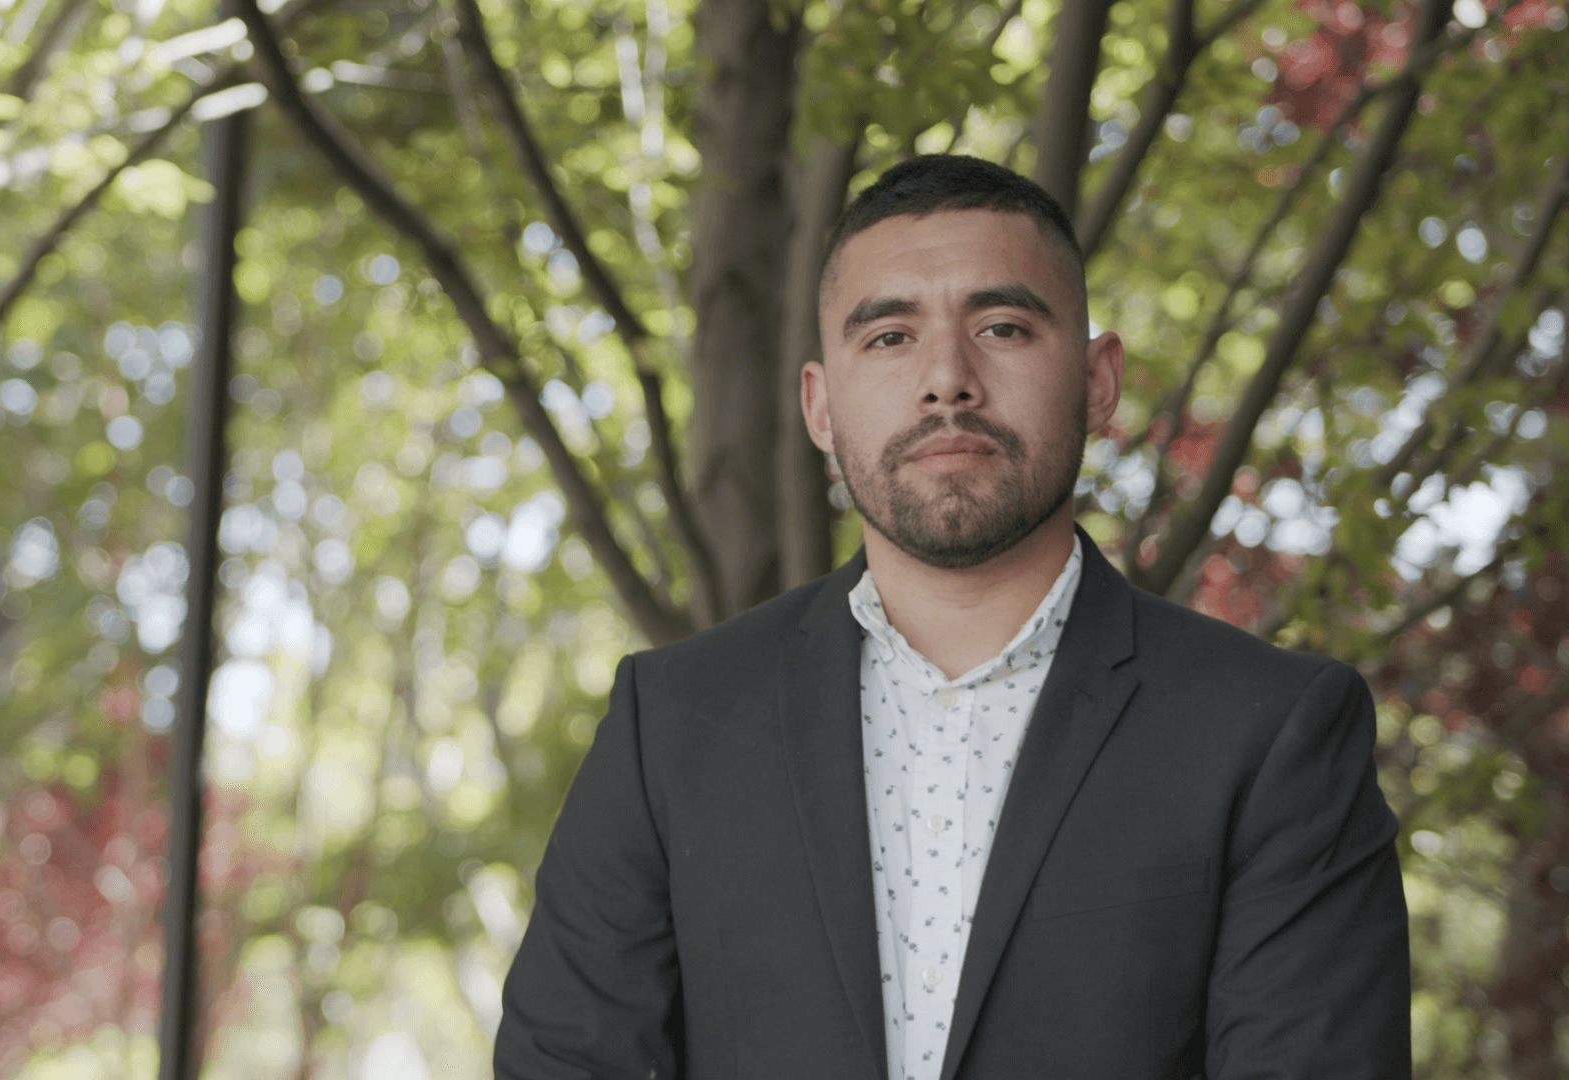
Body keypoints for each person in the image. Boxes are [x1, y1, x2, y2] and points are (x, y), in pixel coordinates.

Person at [493, 154, 1410, 1080]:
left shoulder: (1273, 732)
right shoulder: (674, 722)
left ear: (1099, 380)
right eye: (889, 337)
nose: (947, 380)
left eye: (1004, 327)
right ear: (820, 404)